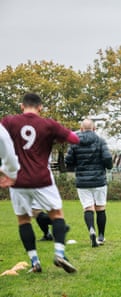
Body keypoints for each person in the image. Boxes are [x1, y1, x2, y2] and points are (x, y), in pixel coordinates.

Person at [1, 93, 80, 273]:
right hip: (42, 179)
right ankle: (59, 253)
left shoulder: (9, 121)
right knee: (57, 215)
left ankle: (35, 262)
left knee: (23, 220)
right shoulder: (48, 124)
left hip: (17, 179)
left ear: (22, 106)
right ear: (40, 107)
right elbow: (74, 140)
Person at [65, 119, 113, 247]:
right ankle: (101, 236)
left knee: (88, 208)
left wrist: (74, 167)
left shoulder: (74, 142)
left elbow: (68, 160)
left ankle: (91, 230)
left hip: (82, 181)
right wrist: (108, 166)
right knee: (101, 208)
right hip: (99, 180)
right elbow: (107, 158)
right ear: (94, 129)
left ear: (81, 129)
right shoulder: (100, 141)